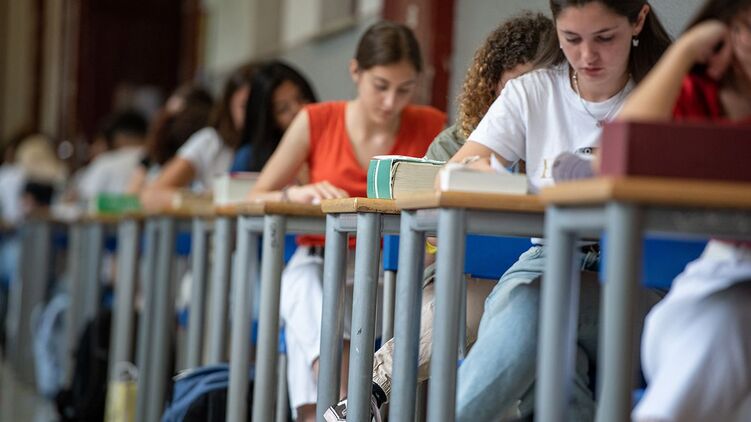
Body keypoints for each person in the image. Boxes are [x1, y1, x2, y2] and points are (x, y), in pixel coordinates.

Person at [324, 11, 554, 421]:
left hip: (547, 278)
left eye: (541, 86)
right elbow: (428, 240)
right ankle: (368, 392)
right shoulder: (457, 144)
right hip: (464, 279)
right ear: (493, 85)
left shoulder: (568, 141)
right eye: (516, 88)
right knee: (479, 301)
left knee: (525, 304)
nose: (528, 101)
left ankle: (366, 393)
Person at [448, 1, 671, 420]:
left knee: (537, 305)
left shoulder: (666, 93)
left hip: (638, 275)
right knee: (558, 357)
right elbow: (459, 168)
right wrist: (487, 170)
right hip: (545, 258)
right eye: (571, 39)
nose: (587, 56)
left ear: (638, 20)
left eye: (605, 38)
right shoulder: (532, 91)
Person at [247, 21, 446, 422]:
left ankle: (336, 410)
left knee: (310, 317)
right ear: (355, 71)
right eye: (380, 86)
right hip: (323, 262)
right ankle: (349, 404)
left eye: (405, 89)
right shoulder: (316, 120)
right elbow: (255, 198)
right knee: (305, 290)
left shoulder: (432, 125)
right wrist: (294, 193)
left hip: (393, 270)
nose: (390, 102)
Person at [611, 1, 751, 420]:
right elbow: (618, 149)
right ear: (726, 31)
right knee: (726, 321)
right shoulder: (700, 94)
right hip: (721, 282)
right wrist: (686, 50)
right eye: (746, 28)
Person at [140, 63, 256, 210]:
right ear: (228, 105)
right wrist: (206, 201)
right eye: (245, 106)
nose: (256, 114)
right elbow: (151, 195)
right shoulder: (211, 142)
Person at [230, 60, 317, 173]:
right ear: (270, 121)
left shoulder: (331, 141)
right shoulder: (249, 159)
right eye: (283, 109)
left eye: (302, 98)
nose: (299, 110)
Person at [126, 84, 214, 193]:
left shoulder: (205, 144)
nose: (176, 124)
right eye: (169, 116)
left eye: (185, 116)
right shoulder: (154, 153)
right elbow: (133, 192)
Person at [77, 110, 148, 200]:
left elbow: (83, 198)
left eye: (98, 141)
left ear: (119, 137)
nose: (92, 149)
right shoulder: (158, 161)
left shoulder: (105, 162)